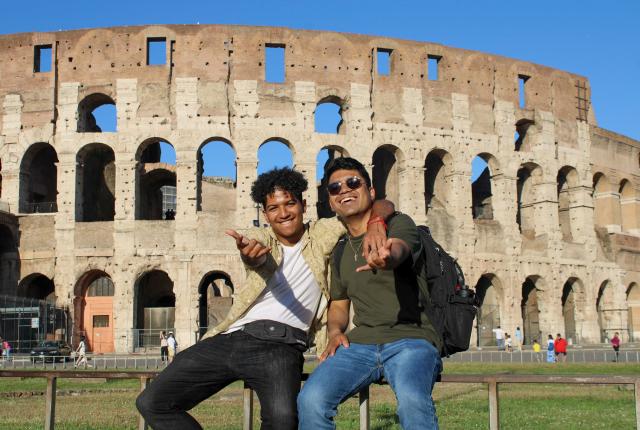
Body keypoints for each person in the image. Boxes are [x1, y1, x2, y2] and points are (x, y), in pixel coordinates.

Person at [136, 166, 393, 430]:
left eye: (290, 204)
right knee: (151, 402)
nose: (283, 213)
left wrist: (376, 222)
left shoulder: (323, 232)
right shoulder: (260, 238)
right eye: (273, 208)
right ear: (265, 214)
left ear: (304, 205)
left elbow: (382, 204)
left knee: (283, 421)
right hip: (232, 337)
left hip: (282, 346)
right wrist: (251, 256)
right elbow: (254, 252)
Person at [298, 157, 442, 430]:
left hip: (411, 340)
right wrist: (335, 331)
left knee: (412, 400)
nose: (345, 190)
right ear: (330, 202)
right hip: (359, 344)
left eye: (353, 182)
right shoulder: (340, 250)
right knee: (311, 399)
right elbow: (339, 304)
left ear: (371, 191)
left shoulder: (399, 224)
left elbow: (401, 247)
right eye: (335, 188)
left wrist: (388, 256)